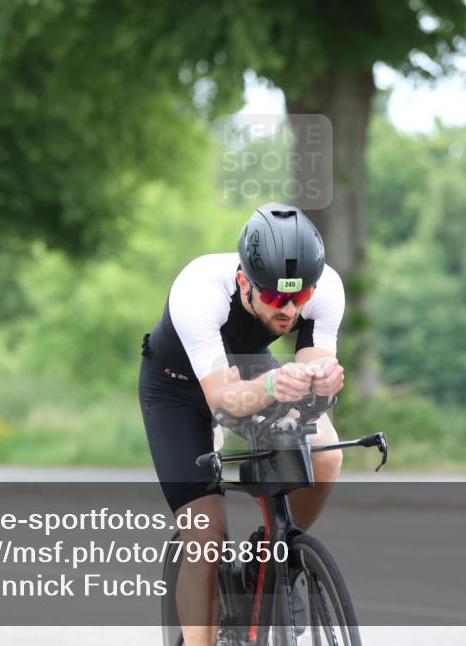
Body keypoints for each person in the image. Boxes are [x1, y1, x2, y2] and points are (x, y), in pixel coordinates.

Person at [138, 202, 346, 646]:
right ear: (242, 281)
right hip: (179, 392)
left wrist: (322, 382)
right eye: (273, 297)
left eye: (299, 297)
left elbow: (315, 373)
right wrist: (274, 382)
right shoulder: (199, 290)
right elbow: (224, 402)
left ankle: (272, 558)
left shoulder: (326, 285)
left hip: (252, 372)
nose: (288, 309)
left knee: (326, 455)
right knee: (206, 536)